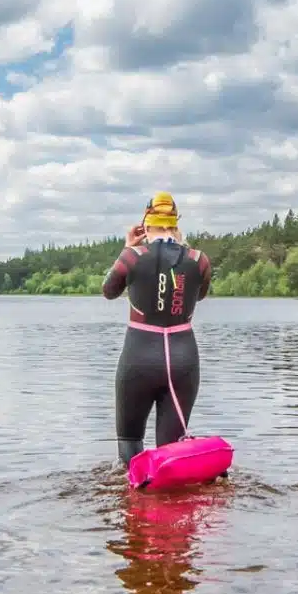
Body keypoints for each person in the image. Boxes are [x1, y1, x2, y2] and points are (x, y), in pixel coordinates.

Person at [101, 192, 213, 468]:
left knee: (129, 454)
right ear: (176, 224)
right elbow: (198, 296)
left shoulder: (132, 257)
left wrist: (128, 247)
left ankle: (131, 502)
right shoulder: (199, 260)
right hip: (183, 361)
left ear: (145, 225)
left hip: (137, 359)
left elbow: (109, 290)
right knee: (170, 459)